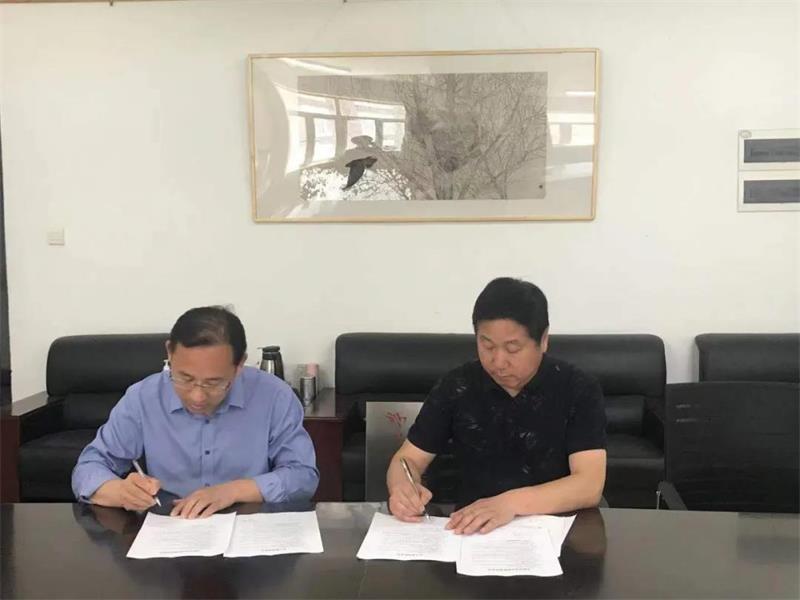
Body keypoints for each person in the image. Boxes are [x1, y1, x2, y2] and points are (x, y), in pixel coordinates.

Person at [386, 278, 606, 534]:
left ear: (544, 339)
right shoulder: (458, 385)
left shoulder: (577, 388)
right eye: (487, 345)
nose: (498, 362)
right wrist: (402, 488)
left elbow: (589, 485)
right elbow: (407, 459)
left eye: (513, 348)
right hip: (472, 532)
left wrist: (509, 504)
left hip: (556, 533)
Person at [72, 306, 319, 518]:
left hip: (250, 528)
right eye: (185, 378)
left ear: (239, 364)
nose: (197, 397)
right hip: (170, 527)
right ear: (169, 353)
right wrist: (119, 491)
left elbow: (303, 476)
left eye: (214, 382)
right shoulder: (143, 397)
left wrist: (232, 491)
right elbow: (88, 467)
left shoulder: (274, 396)